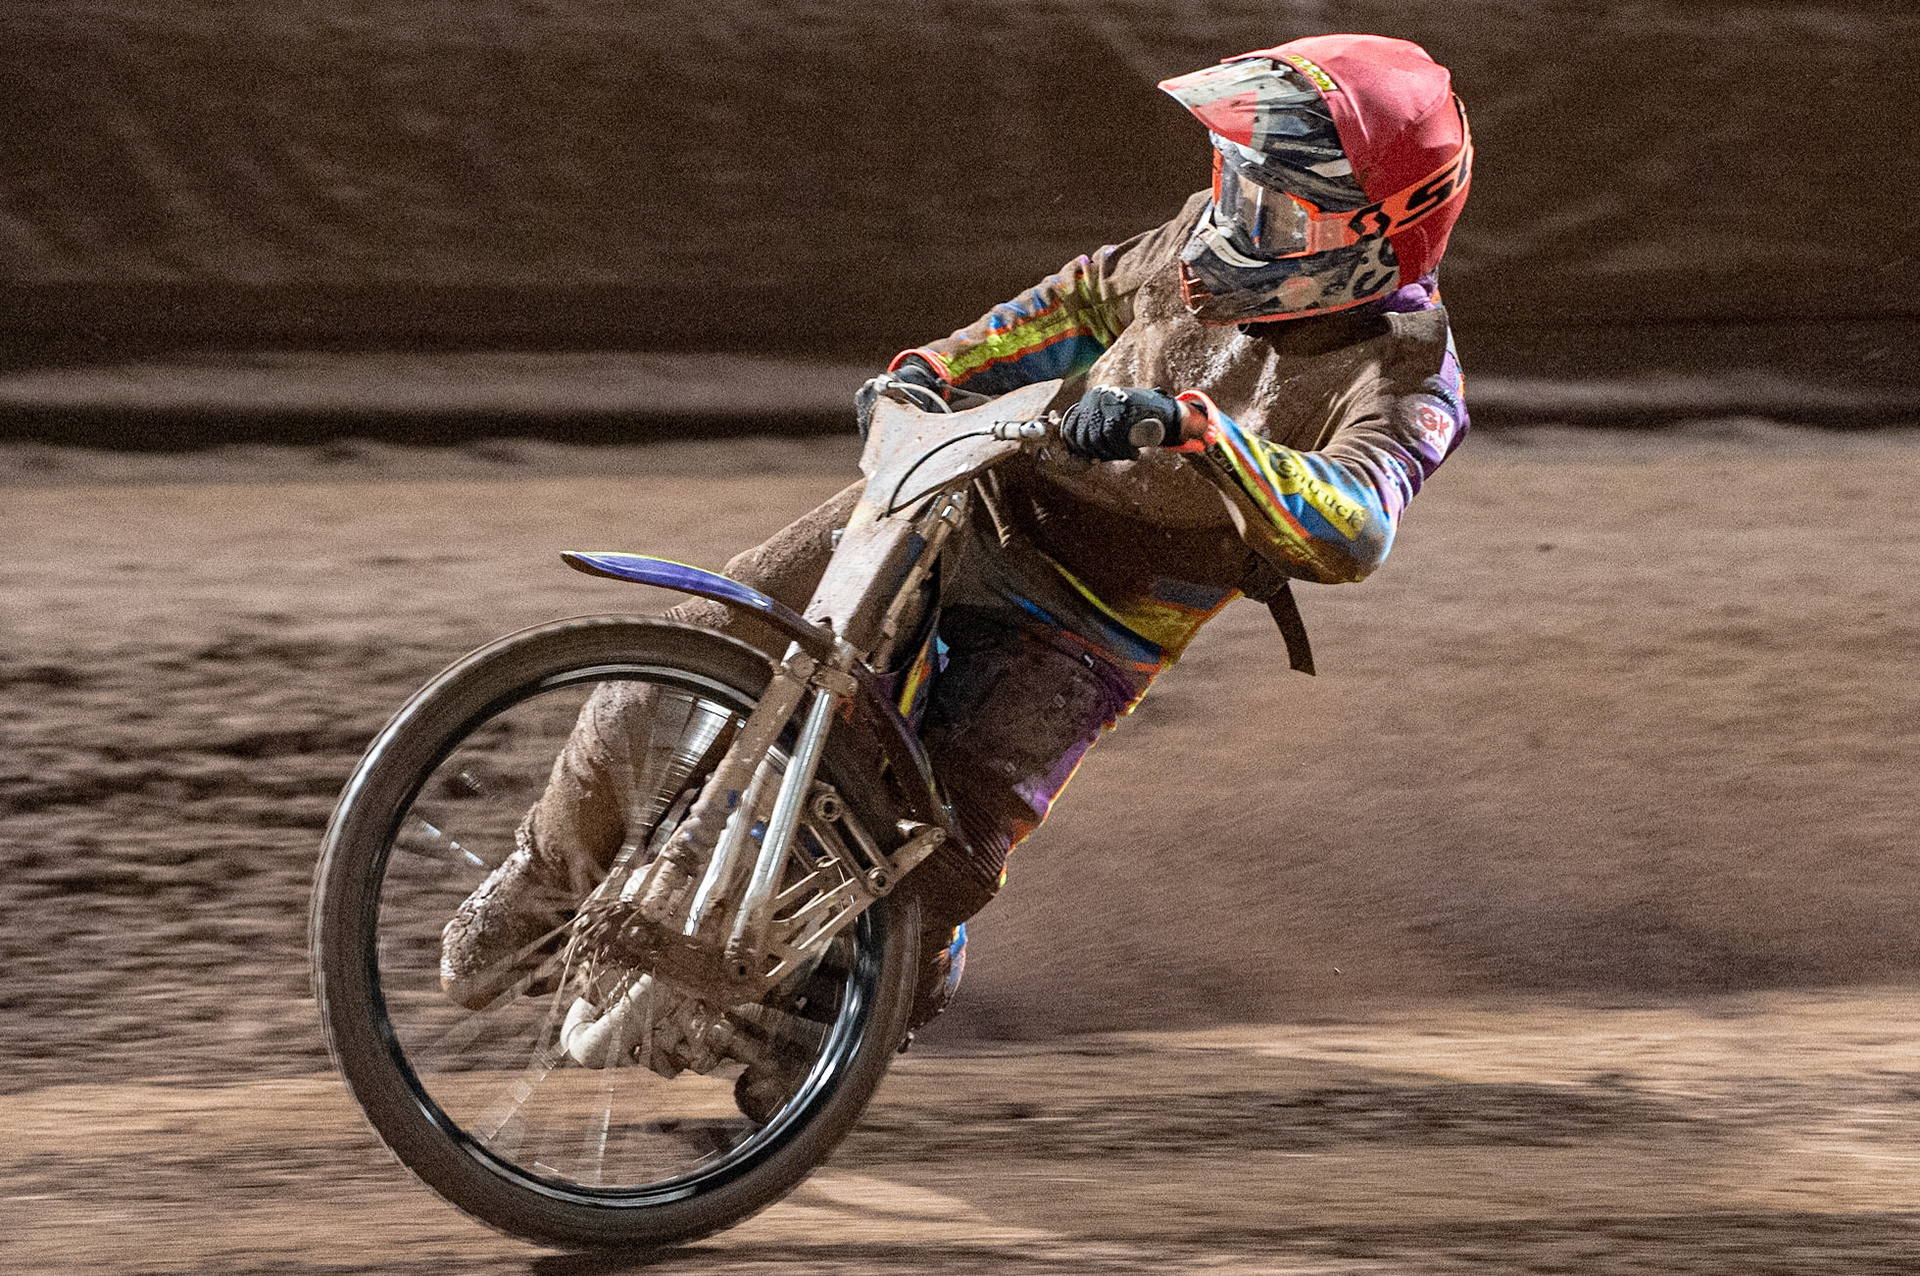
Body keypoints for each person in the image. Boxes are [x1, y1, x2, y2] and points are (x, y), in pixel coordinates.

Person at [440, 32, 1473, 1094]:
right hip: (971, 489)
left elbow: (1355, 525)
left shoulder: (1409, 378)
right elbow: (1080, 301)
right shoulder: (1192, 246)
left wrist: (1203, 436)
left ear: (1372, 238)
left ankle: (847, 1021)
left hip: (1099, 617)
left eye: (1276, 211)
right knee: (715, 633)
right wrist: (935, 370)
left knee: (943, 847)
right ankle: (543, 877)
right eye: (1240, 186)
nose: (1235, 222)